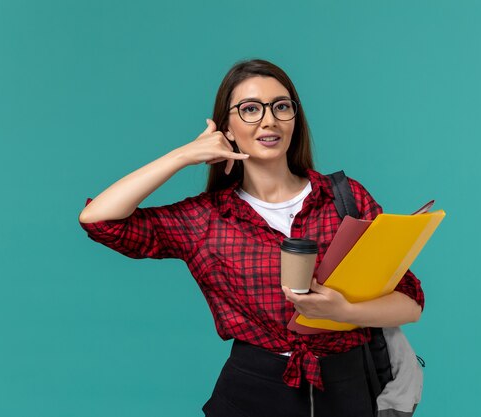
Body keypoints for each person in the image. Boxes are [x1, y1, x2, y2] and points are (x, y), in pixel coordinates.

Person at [78, 58, 424, 417]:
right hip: (252, 393)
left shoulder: (345, 199)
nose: (268, 119)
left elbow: (410, 302)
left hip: (347, 390)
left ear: (295, 119)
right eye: (250, 109)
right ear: (226, 127)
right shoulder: (205, 219)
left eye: (281, 106)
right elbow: (99, 220)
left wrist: (345, 311)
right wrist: (183, 156)